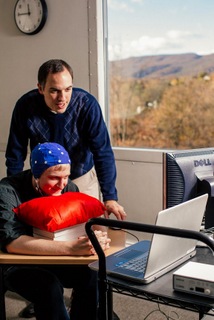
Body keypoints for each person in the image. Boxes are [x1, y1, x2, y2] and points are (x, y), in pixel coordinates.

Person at [5, 58, 126, 222]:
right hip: (44, 181)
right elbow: (15, 153)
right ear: (40, 88)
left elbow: (102, 152)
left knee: (91, 231)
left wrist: (110, 197)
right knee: (44, 232)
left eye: (68, 89)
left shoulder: (87, 105)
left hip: (81, 177)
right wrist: (15, 194)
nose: (62, 98)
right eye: (54, 91)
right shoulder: (25, 106)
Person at [0, 142, 111, 320]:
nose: (62, 184)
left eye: (66, 176)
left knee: (92, 274)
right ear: (36, 175)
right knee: (48, 286)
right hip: (16, 264)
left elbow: (84, 221)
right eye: (54, 178)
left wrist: (97, 236)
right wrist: (71, 249)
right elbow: (12, 243)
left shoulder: (69, 187)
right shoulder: (7, 190)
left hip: (57, 258)